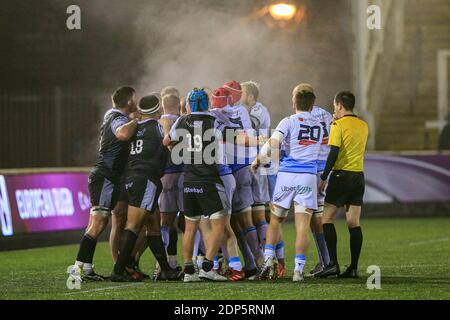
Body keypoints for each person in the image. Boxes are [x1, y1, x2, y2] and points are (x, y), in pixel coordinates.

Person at [252, 86, 323, 282]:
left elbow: (273, 144)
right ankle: (298, 271)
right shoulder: (319, 125)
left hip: (287, 176)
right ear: (312, 105)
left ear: (294, 103)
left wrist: (258, 159)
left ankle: (267, 262)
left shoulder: (288, 121)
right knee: (302, 227)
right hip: (308, 176)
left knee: (275, 220)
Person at [69, 86, 138, 282]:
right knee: (99, 223)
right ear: (129, 101)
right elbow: (123, 135)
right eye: (135, 99)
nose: (136, 102)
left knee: (98, 222)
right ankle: (77, 270)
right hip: (106, 176)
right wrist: (136, 121)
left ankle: (87, 268)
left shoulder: (111, 113)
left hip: (107, 177)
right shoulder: (118, 117)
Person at [110, 93, 181, 282]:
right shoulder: (159, 126)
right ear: (158, 110)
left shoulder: (135, 126)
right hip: (146, 179)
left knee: (153, 225)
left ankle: (166, 269)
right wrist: (167, 126)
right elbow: (171, 143)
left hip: (134, 177)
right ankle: (119, 270)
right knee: (133, 226)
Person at [163, 88, 229, 282]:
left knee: (190, 227)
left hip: (189, 178)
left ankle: (189, 271)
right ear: (207, 103)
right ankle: (208, 266)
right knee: (219, 225)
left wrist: (171, 139)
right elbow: (234, 139)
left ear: (190, 104)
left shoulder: (182, 120)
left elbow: (166, 141)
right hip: (209, 179)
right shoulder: (214, 121)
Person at [315, 91, 368, 279]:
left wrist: (324, 177)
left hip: (340, 177)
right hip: (358, 177)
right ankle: (353, 268)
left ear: (339, 105)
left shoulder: (337, 124)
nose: (333, 110)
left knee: (326, 219)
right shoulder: (363, 125)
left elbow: (333, 153)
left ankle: (332, 264)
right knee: (354, 223)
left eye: (334, 106)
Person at [292, 84, 332, 276]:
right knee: (318, 217)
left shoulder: (297, 118)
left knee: (310, 219)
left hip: (309, 170)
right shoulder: (325, 115)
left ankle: (327, 262)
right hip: (324, 169)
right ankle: (326, 261)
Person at [240, 81, 271, 251]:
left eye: (242, 93)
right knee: (250, 212)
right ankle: (257, 254)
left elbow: (250, 124)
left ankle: (267, 256)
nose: (239, 96)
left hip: (259, 164)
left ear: (250, 96)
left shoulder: (259, 110)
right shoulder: (245, 110)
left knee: (260, 212)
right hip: (248, 163)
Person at [159, 93, 184, 271]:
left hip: (166, 175)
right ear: (178, 104)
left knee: (164, 223)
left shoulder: (160, 122)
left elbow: (166, 144)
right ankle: (199, 264)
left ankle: (162, 265)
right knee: (192, 222)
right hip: (185, 174)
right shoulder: (185, 121)